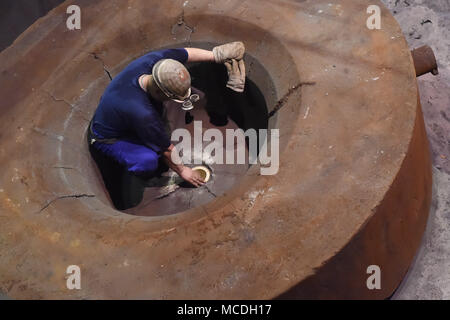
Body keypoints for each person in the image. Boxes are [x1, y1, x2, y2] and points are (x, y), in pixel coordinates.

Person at [88, 42, 246, 209]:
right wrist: (183, 170)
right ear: (160, 91)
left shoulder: (157, 64)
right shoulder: (142, 113)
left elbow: (186, 54)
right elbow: (167, 150)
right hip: (109, 136)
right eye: (172, 97)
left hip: (120, 113)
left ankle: (151, 140)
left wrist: (215, 55)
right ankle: (146, 175)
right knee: (147, 161)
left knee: (160, 127)